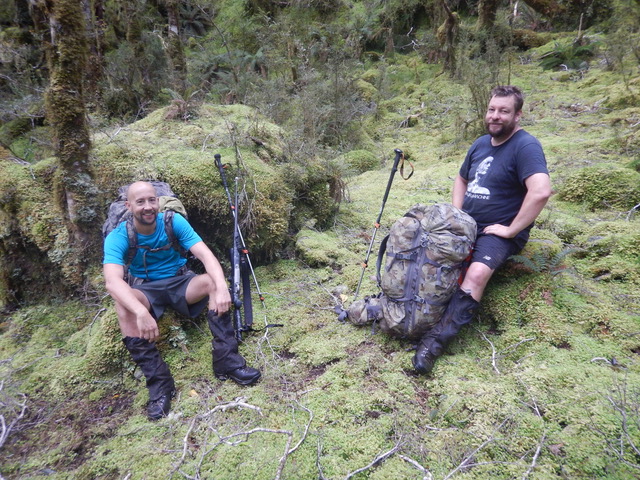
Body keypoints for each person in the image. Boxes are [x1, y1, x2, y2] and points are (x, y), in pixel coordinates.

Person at [413, 85, 552, 374]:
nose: (496, 116)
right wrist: (457, 213)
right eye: (492, 109)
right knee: (420, 248)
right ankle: (408, 312)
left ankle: (434, 342)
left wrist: (512, 229)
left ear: (518, 115)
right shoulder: (480, 144)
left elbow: (540, 191)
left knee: (476, 273)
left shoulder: (526, 146)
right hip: (467, 224)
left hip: (496, 232)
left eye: (504, 111)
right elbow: (461, 179)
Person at [103, 181, 261, 420]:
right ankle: (160, 385)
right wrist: (141, 313)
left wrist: (221, 287)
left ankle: (227, 362)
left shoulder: (172, 222)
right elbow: (113, 282)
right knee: (123, 306)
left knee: (210, 282)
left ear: (158, 201)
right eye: (140, 202)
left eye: (151, 200)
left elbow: (205, 255)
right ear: (129, 205)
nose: (148, 207)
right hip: (145, 290)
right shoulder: (119, 236)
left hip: (181, 283)